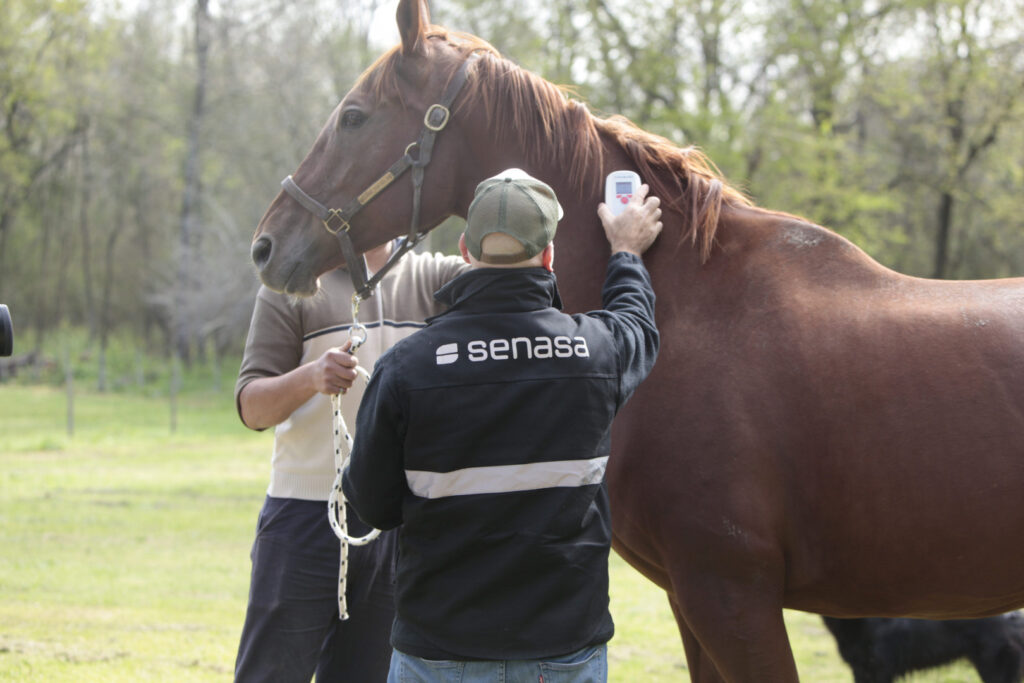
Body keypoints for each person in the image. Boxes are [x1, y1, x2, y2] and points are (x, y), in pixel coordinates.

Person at [342, 168, 663, 683]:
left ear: (466, 251)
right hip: (564, 651)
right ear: (549, 255)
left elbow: (372, 503)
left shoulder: (407, 367)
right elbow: (637, 325)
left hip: (438, 650)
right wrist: (626, 252)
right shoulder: (597, 351)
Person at [233, 239, 468, 682]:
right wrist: (311, 377)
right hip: (302, 521)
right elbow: (251, 407)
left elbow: (518, 266)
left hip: (396, 528)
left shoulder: (436, 279)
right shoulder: (294, 283)